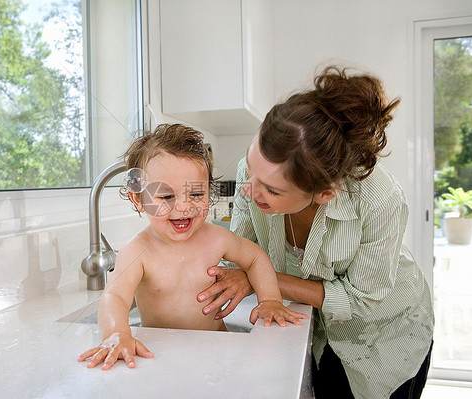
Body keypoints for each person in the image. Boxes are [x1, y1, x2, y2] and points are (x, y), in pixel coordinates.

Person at [196, 67, 434, 399]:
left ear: (325, 194)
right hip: (318, 332)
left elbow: (361, 301)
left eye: (272, 191)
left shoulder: (379, 199)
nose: (249, 190)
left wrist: (259, 276)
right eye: (250, 169)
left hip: (385, 336)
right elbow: (242, 251)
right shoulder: (258, 174)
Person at [77, 123, 308, 370]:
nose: (184, 207)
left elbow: (255, 258)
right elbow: (115, 296)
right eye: (166, 197)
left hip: (216, 348)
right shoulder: (137, 251)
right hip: (161, 353)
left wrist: (270, 300)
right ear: (139, 199)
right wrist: (116, 332)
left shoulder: (216, 238)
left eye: (196, 194)